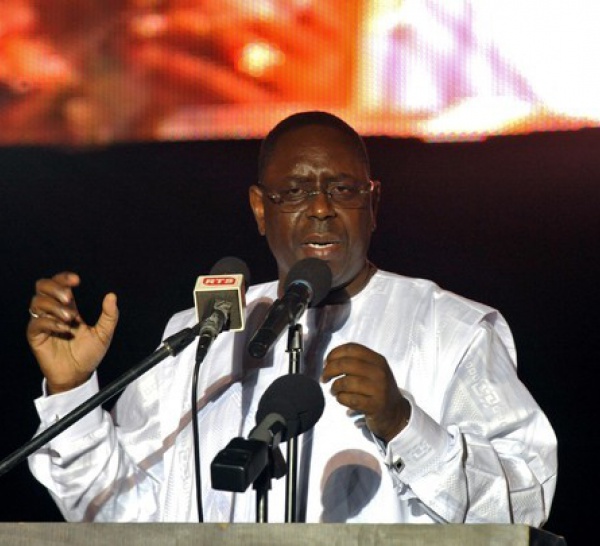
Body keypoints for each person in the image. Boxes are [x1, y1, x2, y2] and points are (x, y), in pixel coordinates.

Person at [26, 111, 557, 524]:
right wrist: (71, 390)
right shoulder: (198, 337)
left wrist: (403, 424)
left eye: (342, 189)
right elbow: (121, 514)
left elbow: (522, 505)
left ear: (373, 203)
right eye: (296, 192)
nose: (321, 208)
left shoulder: (451, 330)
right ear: (261, 209)